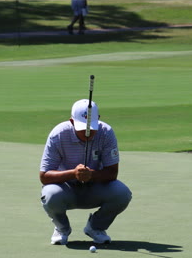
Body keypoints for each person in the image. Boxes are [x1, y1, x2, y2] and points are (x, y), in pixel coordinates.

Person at [40, 98, 132, 246]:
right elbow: (44, 176)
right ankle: (62, 229)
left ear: (98, 119)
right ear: (71, 122)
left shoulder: (106, 132)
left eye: (92, 128)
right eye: (82, 129)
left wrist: (91, 175)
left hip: (95, 188)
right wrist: (73, 173)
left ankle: (96, 228)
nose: (88, 133)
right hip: (66, 190)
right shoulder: (58, 134)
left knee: (122, 193)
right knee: (50, 194)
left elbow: (112, 173)